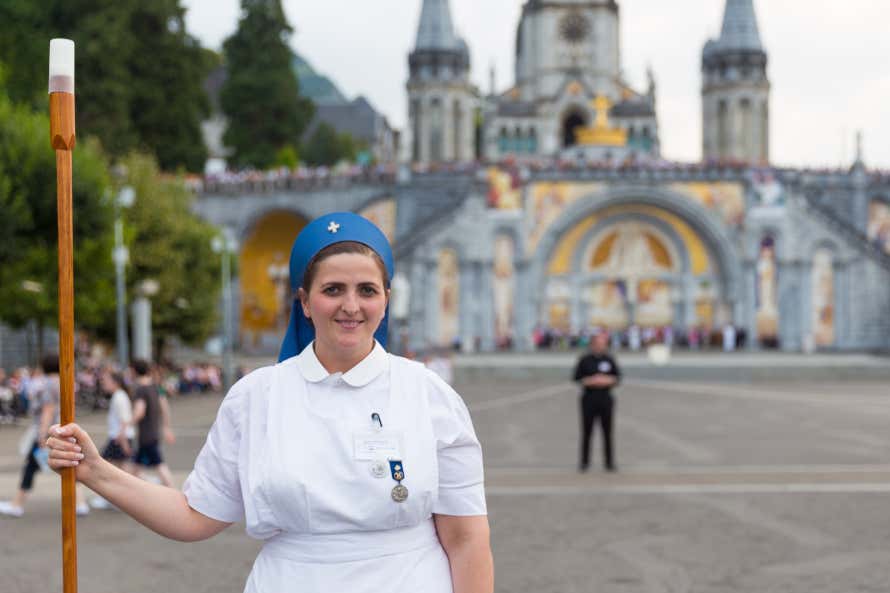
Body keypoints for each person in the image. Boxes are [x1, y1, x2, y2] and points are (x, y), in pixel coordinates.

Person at [45, 212, 494, 593]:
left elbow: (467, 539)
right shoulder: (256, 396)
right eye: (333, 289)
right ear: (304, 301)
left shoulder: (430, 395)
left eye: (367, 290)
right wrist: (94, 470)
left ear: (386, 300)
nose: (351, 306)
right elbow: (193, 516)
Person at [0, 354, 88, 518]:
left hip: (49, 431)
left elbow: (48, 409)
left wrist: (41, 435)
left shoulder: (47, 384)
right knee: (70, 465)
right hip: (65, 429)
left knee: (30, 467)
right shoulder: (64, 382)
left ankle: (17, 504)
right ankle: (80, 503)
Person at [573, 331, 621, 472]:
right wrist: (591, 380)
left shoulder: (609, 359)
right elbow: (576, 378)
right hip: (588, 398)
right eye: (598, 343)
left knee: (607, 432)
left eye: (603, 343)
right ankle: (584, 462)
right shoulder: (585, 360)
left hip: (606, 398)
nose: (601, 346)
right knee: (587, 432)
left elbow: (617, 377)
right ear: (593, 344)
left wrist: (606, 380)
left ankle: (609, 462)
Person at [91, 371, 135, 510]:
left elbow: (124, 421)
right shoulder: (119, 395)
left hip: (118, 438)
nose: (104, 384)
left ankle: (111, 499)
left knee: (104, 467)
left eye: (107, 381)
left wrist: (123, 441)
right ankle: (118, 500)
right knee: (120, 470)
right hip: (120, 437)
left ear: (115, 382)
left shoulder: (119, 397)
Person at [130, 359, 176, 488]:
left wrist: (127, 423)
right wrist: (167, 427)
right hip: (154, 431)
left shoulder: (140, 389)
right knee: (136, 467)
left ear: (134, 371)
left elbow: (140, 411)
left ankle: (172, 490)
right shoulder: (156, 387)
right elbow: (165, 407)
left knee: (158, 464)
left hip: (146, 434)